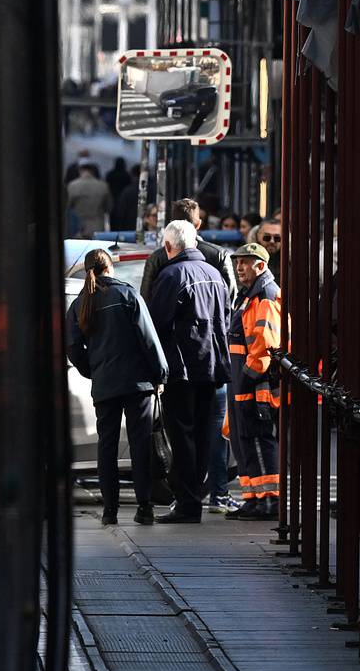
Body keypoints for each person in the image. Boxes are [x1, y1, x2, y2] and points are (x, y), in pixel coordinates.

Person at [66, 249, 169, 526]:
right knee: (140, 445)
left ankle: (109, 510)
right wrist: (160, 373)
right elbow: (148, 338)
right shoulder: (127, 295)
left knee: (106, 446)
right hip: (137, 384)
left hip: (105, 384)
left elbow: (73, 347)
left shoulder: (80, 304)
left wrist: (92, 370)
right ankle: (144, 507)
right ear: (109, 267)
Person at [145, 219, 230, 523]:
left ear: (169, 247)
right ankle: (194, 497)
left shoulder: (171, 275)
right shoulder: (214, 275)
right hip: (212, 367)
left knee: (181, 437)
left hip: (182, 370)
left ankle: (188, 503)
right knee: (204, 435)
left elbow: (155, 325)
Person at [226, 242, 283, 520]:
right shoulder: (248, 294)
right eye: (238, 263)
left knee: (258, 438)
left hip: (254, 382)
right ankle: (253, 497)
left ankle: (270, 500)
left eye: (245, 263)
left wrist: (248, 377)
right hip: (242, 380)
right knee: (243, 439)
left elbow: (266, 343)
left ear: (260, 265)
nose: (239, 268)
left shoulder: (265, 295)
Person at [141, 197, 237, 300]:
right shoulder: (219, 255)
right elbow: (231, 296)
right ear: (199, 224)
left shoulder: (156, 258)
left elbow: (146, 298)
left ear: (172, 223)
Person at [66, 164, 112, 236]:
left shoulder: (72, 185)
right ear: (92, 172)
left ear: (80, 171)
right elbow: (109, 207)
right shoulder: (103, 185)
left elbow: (67, 206)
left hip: (78, 226)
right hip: (97, 225)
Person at [106, 156, 136, 230]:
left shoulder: (110, 174)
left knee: (113, 221)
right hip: (124, 200)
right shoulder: (126, 175)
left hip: (113, 200)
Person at [254, 215, 283, 281]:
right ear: (258, 236)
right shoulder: (245, 260)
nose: (272, 241)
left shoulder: (291, 262)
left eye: (277, 238)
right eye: (267, 237)